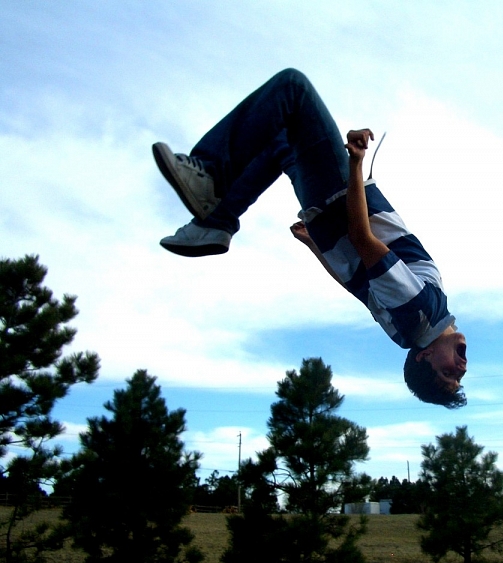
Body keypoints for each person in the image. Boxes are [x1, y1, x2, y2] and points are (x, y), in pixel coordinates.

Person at [153, 69, 467, 408]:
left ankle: (210, 173)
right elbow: (358, 286)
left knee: (293, 89)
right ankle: (215, 223)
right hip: (325, 210)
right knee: (281, 142)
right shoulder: (406, 329)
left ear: (425, 357)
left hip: (336, 195)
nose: (461, 368)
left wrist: (356, 166)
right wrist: (316, 246)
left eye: (449, 374)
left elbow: (363, 239)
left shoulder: (419, 310)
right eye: (460, 376)